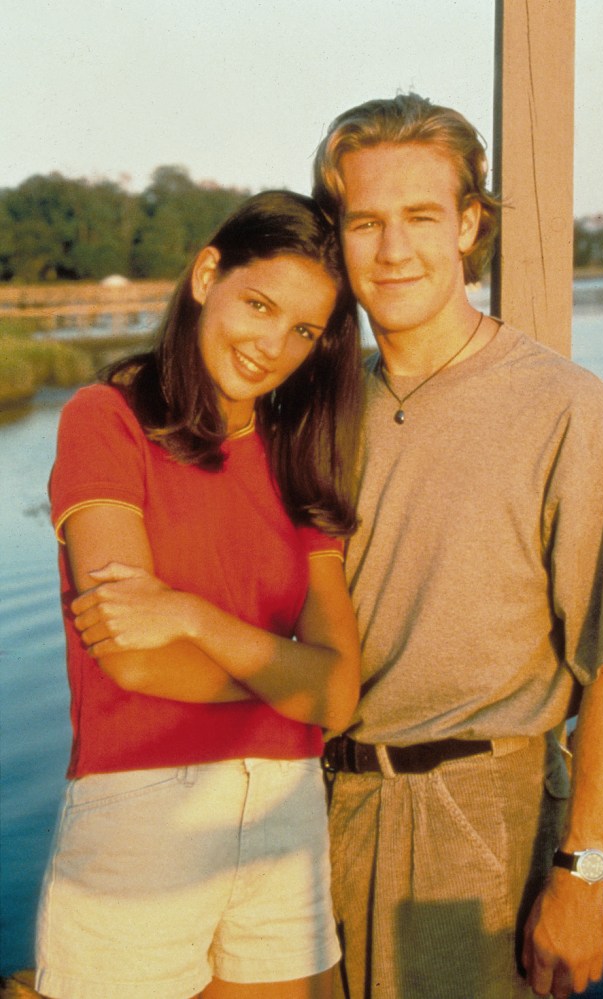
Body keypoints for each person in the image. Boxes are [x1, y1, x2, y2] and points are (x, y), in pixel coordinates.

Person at [311, 94, 603, 999]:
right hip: (316, 818)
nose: (394, 251)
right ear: (337, 236)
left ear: (469, 224)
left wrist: (583, 875)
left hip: (478, 828)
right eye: (366, 222)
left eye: (422, 218)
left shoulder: (565, 408)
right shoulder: (320, 408)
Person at [34, 190, 365, 999]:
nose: (271, 345)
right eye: (258, 304)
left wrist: (190, 615)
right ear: (206, 273)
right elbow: (134, 659)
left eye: (302, 330)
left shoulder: (297, 460)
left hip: (286, 816)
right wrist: (291, 680)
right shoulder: (105, 419)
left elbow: (344, 696)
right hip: (145, 814)